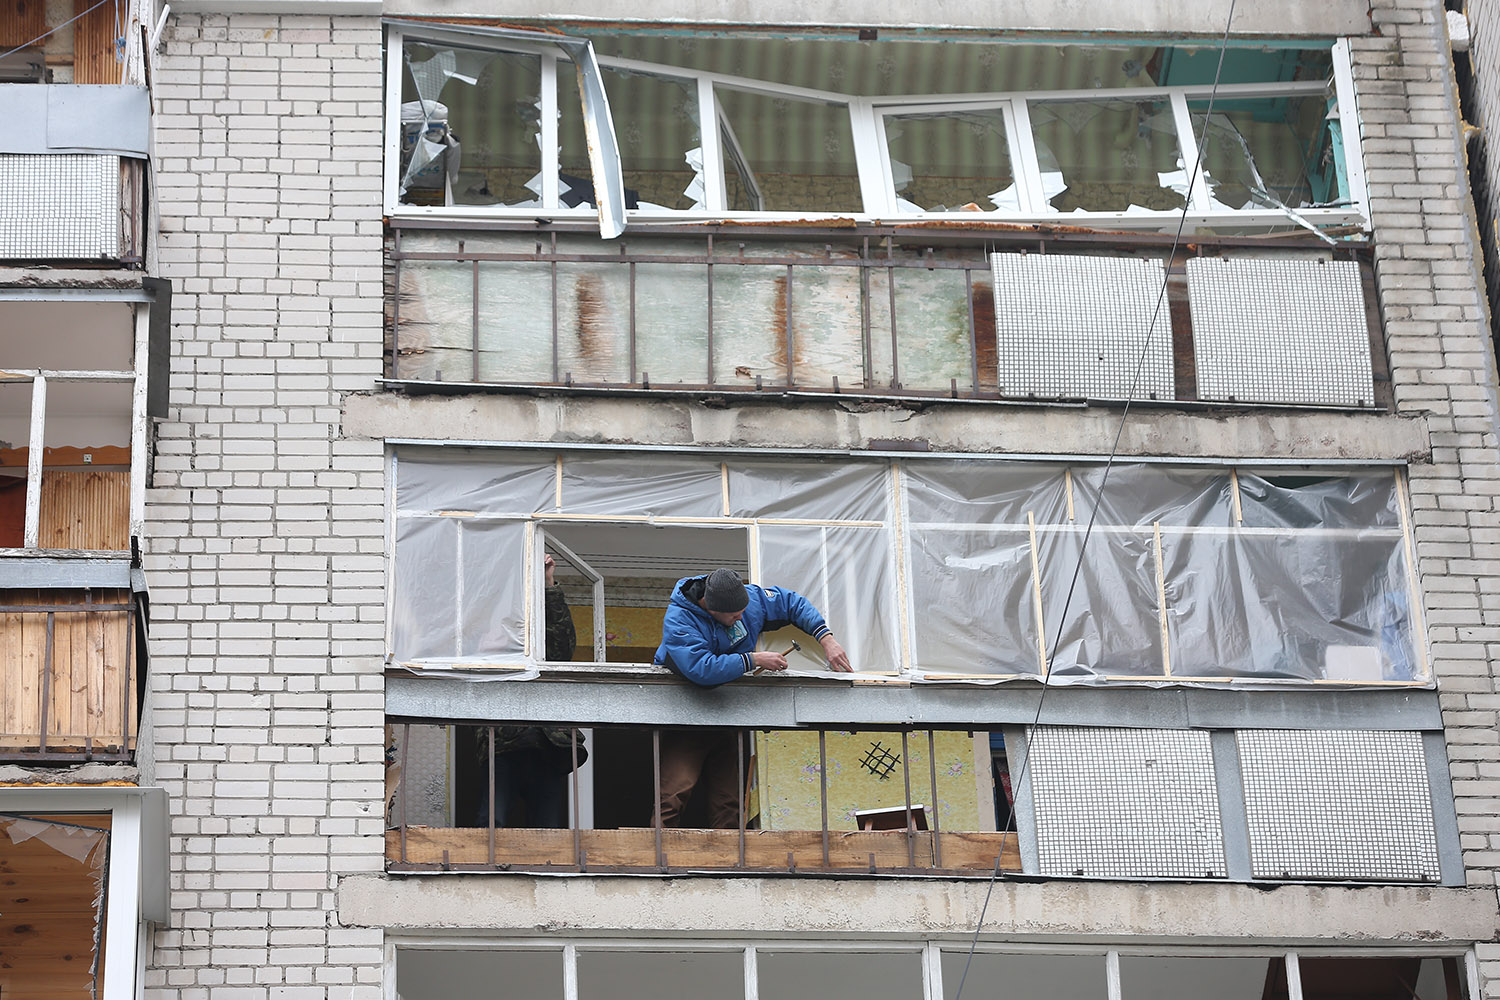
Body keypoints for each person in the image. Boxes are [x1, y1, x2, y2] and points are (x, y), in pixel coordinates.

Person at [652, 568, 852, 828]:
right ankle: (656, 857)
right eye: (734, 615)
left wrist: (826, 639)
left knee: (729, 800)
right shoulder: (679, 620)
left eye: (743, 610)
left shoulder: (746, 600)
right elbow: (700, 668)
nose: (741, 617)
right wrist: (753, 659)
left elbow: (792, 603)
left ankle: (731, 865)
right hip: (685, 715)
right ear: (710, 608)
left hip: (728, 713)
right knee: (675, 792)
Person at [467, 554, 585, 828]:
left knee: (548, 827)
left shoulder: (533, 655)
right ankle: (482, 869)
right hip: (502, 749)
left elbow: (562, 644)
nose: (495, 635)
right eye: (490, 632)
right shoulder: (476, 666)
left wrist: (548, 584)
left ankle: (550, 871)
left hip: (546, 746)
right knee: (491, 820)